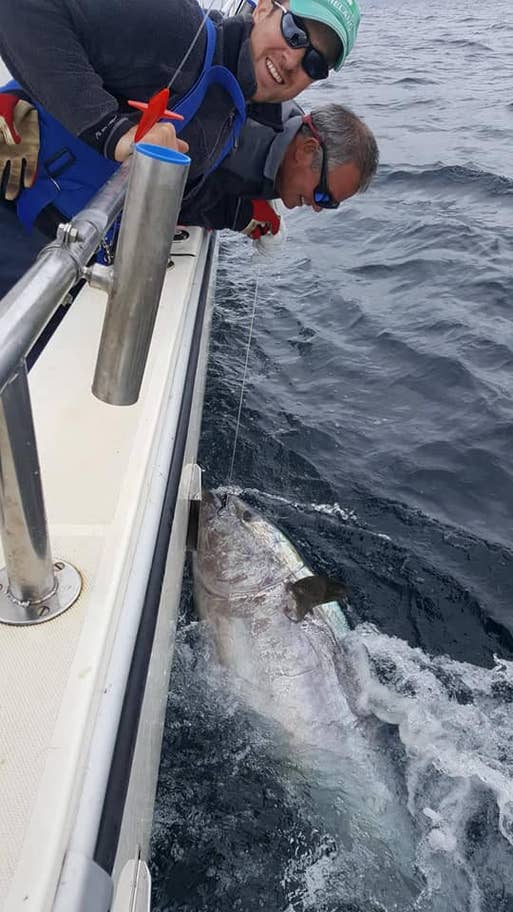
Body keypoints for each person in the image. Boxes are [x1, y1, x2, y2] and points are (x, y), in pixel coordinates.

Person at [179, 101, 379, 243]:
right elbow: (168, 189)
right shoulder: (237, 129)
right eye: (323, 194)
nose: (318, 207)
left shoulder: (293, 132)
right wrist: (236, 214)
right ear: (306, 150)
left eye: (330, 204)